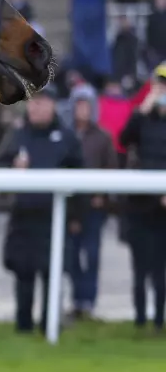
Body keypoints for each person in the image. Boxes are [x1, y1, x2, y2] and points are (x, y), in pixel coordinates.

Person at [0, 91, 84, 334]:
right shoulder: (16, 135)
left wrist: (76, 216)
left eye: (42, 102)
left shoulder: (66, 138)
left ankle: (50, 325)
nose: (36, 108)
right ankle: (23, 326)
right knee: (24, 275)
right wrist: (13, 167)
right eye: (33, 102)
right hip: (23, 217)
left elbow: (81, 176)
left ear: (53, 106)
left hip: (54, 219)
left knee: (53, 274)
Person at [118, 62, 166, 330]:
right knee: (139, 268)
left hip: (162, 208)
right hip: (139, 205)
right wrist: (142, 112)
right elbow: (124, 142)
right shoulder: (143, 117)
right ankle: (138, 320)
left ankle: (159, 321)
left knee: (160, 270)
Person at [67, 85, 117, 320]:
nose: (82, 110)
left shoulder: (103, 137)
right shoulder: (67, 136)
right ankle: (77, 299)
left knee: (93, 254)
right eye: (79, 105)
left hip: (94, 208)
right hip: (72, 206)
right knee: (73, 255)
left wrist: (102, 195)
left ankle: (89, 300)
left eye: (86, 105)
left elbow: (112, 170)